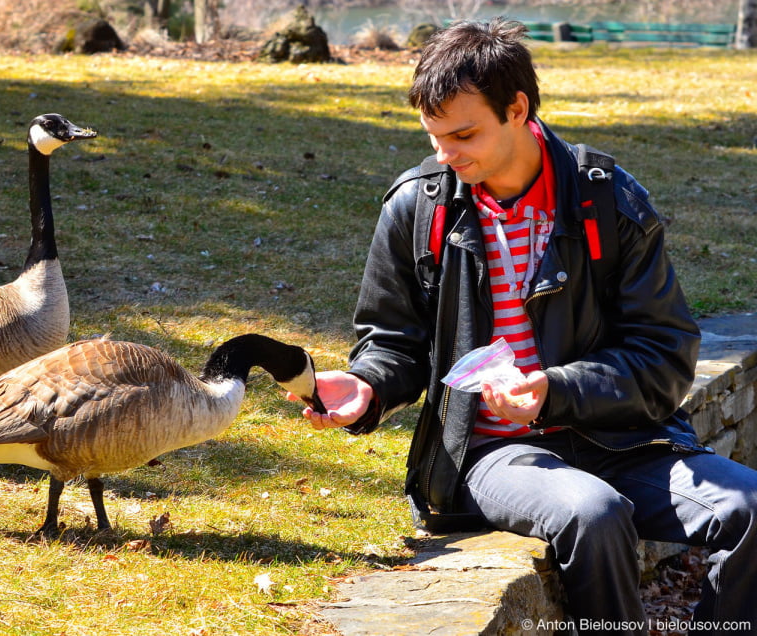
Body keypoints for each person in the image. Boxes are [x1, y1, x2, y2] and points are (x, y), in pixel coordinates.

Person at [292, 18, 757, 635]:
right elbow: (393, 340)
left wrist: (554, 390)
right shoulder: (417, 207)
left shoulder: (608, 203)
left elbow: (665, 356)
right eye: (434, 138)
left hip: (620, 441)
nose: (446, 156)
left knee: (750, 506)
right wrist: (369, 385)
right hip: (490, 451)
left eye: (463, 135)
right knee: (593, 514)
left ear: (518, 108)